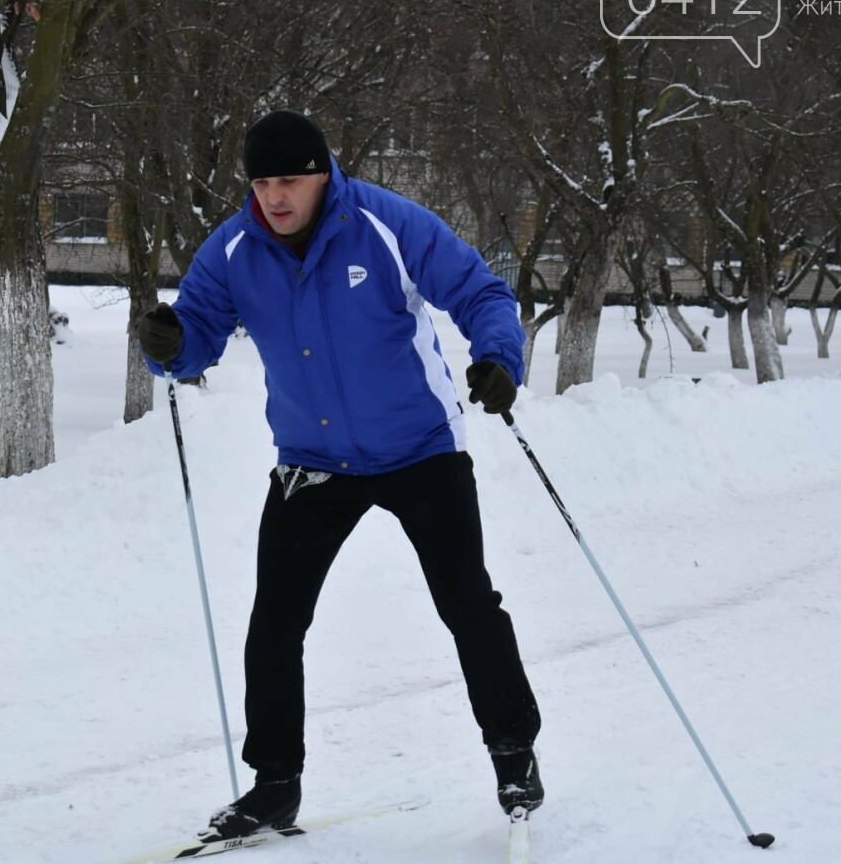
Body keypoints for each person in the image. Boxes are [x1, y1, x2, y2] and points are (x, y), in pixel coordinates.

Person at [136, 110, 542, 839]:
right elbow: (193, 342)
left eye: (289, 180)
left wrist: (498, 359)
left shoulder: (387, 223)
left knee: (468, 604)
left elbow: (482, 292)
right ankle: (274, 785)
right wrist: (169, 345)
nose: (274, 197)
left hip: (419, 446)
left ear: (323, 174)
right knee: (275, 623)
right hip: (313, 460)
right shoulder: (233, 250)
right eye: (261, 182)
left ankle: (513, 752)